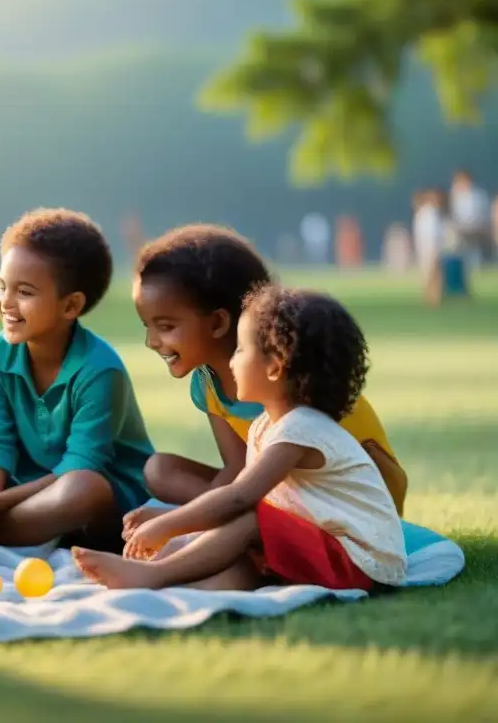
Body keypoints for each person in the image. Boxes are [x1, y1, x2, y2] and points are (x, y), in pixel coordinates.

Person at [73, 285, 408, 592]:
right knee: (221, 558)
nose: (230, 361)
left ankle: (151, 577)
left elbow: (238, 500)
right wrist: (169, 528)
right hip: (318, 545)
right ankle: (158, 574)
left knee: (248, 521)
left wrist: (170, 522)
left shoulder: (301, 429)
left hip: (360, 563)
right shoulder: (267, 426)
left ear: (274, 367)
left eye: (240, 350)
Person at [122, 225, 408, 527]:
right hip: (275, 485)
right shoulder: (208, 383)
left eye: (165, 327)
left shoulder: (288, 380)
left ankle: (235, 527)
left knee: (235, 514)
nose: (151, 341)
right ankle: (228, 523)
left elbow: (272, 475)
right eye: (147, 326)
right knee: (159, 470)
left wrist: (179, 520)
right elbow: (237, 467)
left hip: (350, 500)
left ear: (218, 322)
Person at [0, 208, 153, 553]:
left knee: (84, 487)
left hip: (101, 508)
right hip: (26, 493)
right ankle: (6, 533)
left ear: (70, 306)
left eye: (24, 292)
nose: (6, 302)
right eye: (1, 286)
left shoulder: (99, 370)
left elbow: (78, 467)